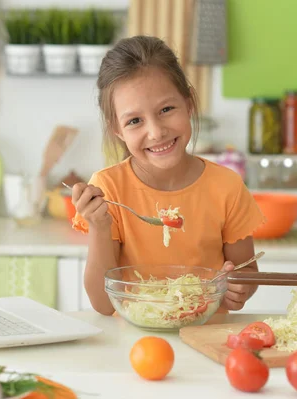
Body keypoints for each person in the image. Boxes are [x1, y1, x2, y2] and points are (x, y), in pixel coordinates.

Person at [70, 35, 266, 317]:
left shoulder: (227, 187)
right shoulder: (108, 189)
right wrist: (99, 226)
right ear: (117, 130)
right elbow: (102, 304)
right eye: (135, 121)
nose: (157, 132)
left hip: (206, 339)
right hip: (136, 345)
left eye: (166, 109)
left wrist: (239, 288)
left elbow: (246, 272)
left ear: (188, 104)